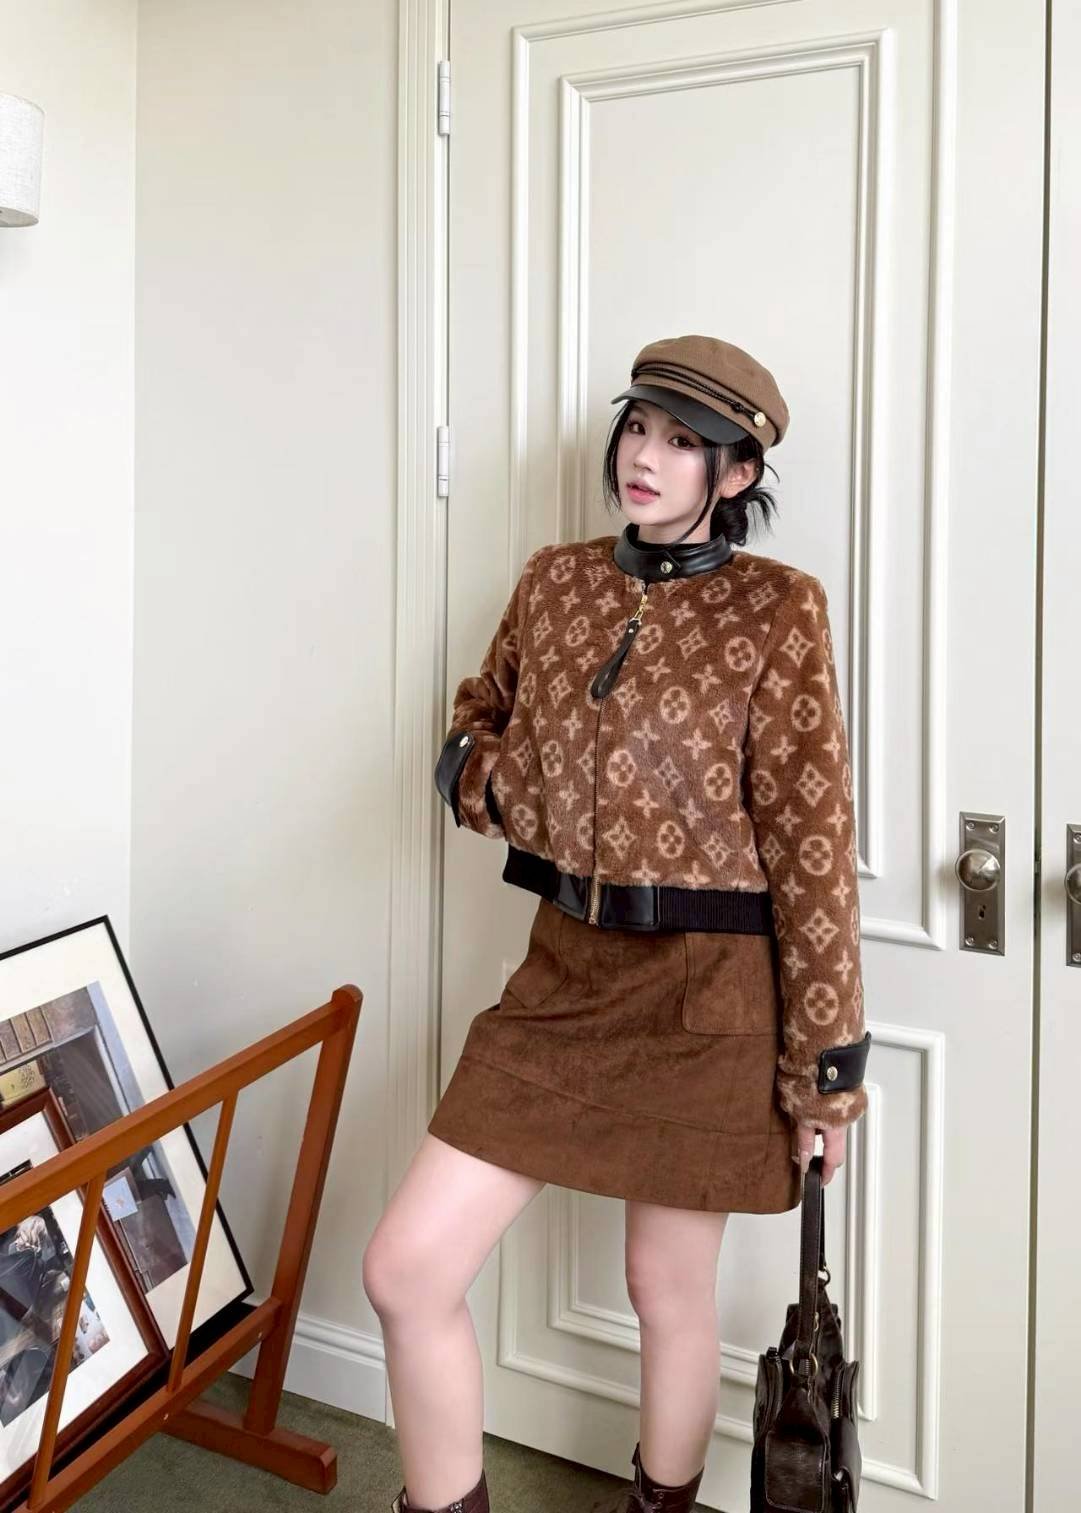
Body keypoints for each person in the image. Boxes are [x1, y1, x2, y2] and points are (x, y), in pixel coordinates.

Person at [363, 334, 871, 1513]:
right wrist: (506, 789)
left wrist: (824, 1078)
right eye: (638, 426)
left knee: (665, 1289)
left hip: (710, 995)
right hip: (563, 976)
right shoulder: (555, 580)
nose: (644, 455)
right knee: (405, 1269)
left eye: (683, 442)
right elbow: (473, 723)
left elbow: (812, 847)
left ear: (736, 474)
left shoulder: (779, 610)